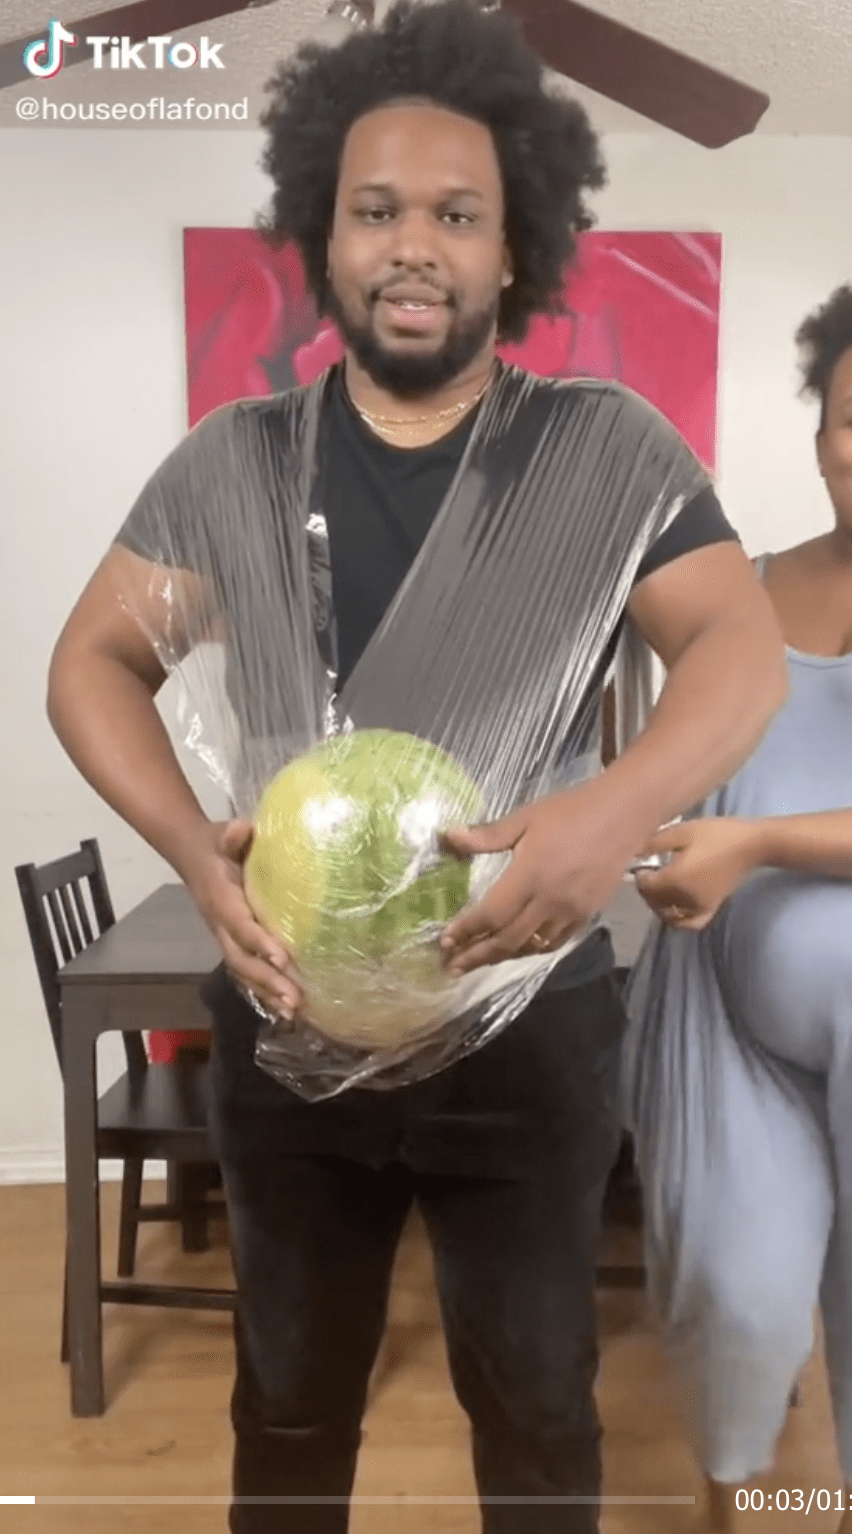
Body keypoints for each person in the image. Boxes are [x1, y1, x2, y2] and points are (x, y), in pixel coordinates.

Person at [46, 3, 786, 1529]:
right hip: (285, 1013)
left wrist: (612, 807)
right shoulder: (232, 465)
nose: (413, 246)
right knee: (291, 1404)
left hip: (528, 1021)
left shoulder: (609, 452)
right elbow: (90, 662)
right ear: (320, 231)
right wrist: (195, 851)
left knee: (534, 1407)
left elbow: (741, 648)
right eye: (375, 210)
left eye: (458, 214)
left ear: (517, 247)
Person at [622, 283, 852, 1533]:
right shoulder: (738, 592)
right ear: (820, 428)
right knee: (740, 1299)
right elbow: (673, 765)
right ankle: (728, 1513)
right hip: (731, 1033)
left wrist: (757, 838)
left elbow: (751, 819)